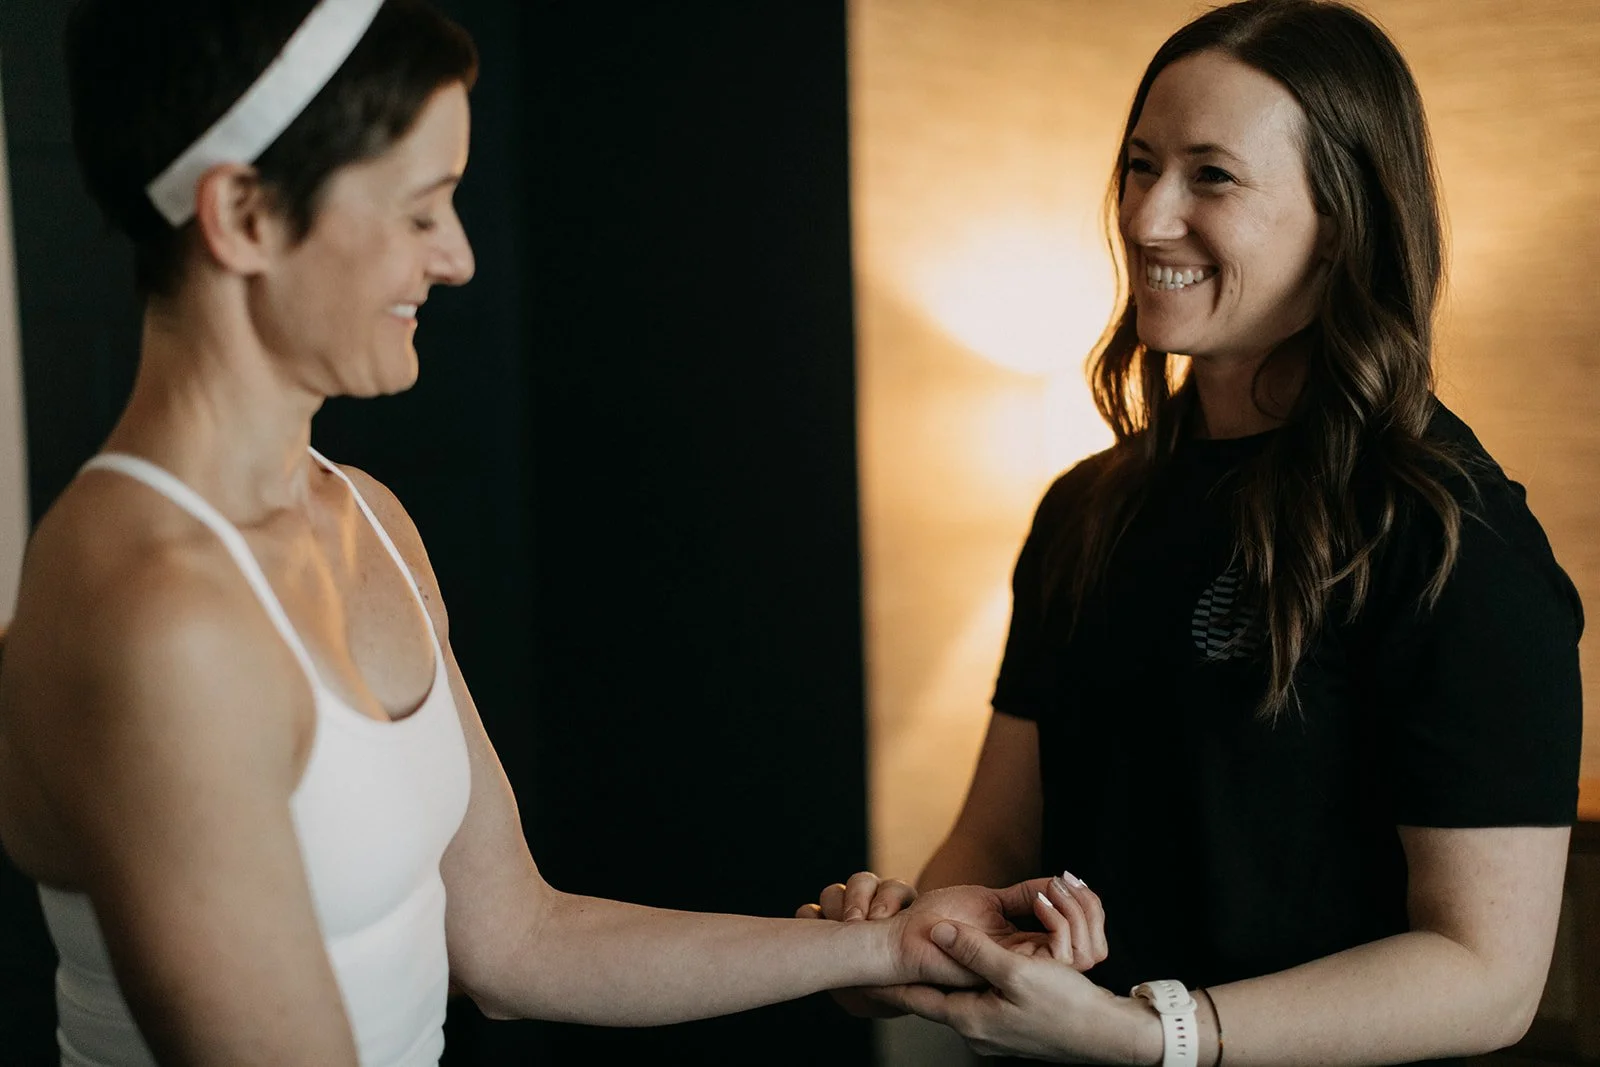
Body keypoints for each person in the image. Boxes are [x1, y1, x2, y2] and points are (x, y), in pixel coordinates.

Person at [0, 2, 1108, 1065]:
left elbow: (515, 940)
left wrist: (889, 945)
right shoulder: (157, 613)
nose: (457, 257)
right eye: (420, 210)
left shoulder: (364, 516)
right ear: (244, 215)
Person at [802, 1, 1584, 1064]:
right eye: (1140, 165)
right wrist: (907, 941)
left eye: (1211, 176)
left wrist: (1155, 1033)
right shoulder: (1087, 507)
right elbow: (997, 836)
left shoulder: (1453, 538)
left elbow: (1485, 975)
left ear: (1343, 219)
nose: (1146, 216)